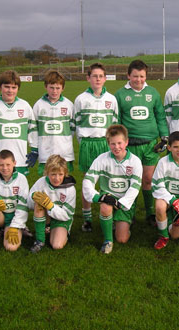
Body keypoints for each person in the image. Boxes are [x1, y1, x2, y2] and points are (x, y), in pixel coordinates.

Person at [115, 60, 169, 225]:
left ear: (146, 76)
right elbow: (117, 121)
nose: (138, 80)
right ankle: (127, 211)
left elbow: (160, 116)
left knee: (147, 179)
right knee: (129, 180)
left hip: (150, 145)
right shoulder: (120, 94)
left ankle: (150, 212)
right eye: (135, 76)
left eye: (142, 76)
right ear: (128, 76)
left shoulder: (152, 93)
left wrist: (164, 137)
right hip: (130, 146)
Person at [82, 124, 142, 254]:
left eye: (120, 143)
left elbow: (135, 188)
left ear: (126, 142)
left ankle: (124, 222)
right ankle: (108, 241)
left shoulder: (135, 161)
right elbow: (87, 181)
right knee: (105, 206)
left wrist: (121, 203)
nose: (117, 147)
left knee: (122, 239)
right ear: (108, 143)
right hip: (109, 197)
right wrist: (99, 197)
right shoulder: (102, 159)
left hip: (125, 201)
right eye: (113, 144)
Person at [73, 62, 119, 233]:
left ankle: (110, 216)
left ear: (105, 78)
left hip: (105, 145)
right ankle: (87, 219)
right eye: (94, 76)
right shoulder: (80, 99)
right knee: (88, 182)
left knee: (108, 182)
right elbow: (76, 125)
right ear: (88, 78)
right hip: (88, 144)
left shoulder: (111, 99)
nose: (98, 79)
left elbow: (114, 124)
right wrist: (84, 143)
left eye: (101, 76)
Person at [152, 131, 179, 250]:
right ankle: (163, 236)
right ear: (169, 147)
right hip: (167, 198)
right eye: (175, 147)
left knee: (176, 237)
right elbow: (157, 185)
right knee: (160, 206)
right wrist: (173, 201)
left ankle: (168, 223)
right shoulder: (163, 162)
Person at [28, 154, 76, 253]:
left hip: (62, 220)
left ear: (65, 173)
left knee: (57, 245)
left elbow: (67, 215)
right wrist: (33, 197)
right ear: (47, 173)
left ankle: (58, 230)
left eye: (60, 174)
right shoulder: (41, 182)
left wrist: (50, 206)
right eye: (53, 174)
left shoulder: (70, 188)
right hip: (47, 216)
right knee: (39, 203)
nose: (57, 178)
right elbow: (28, 204)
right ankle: (40, 240)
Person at [32, 70, 75, 176]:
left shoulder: (69, 105)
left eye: (57, 88)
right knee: (46, 186)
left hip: (65, 154)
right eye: (51, 87)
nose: (54, 91)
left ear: (62, 88)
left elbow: (73, 128)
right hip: (45, 154)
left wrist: (64, 140)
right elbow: (34, 129)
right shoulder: (38, 105)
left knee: (64, 184)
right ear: (46, 86)